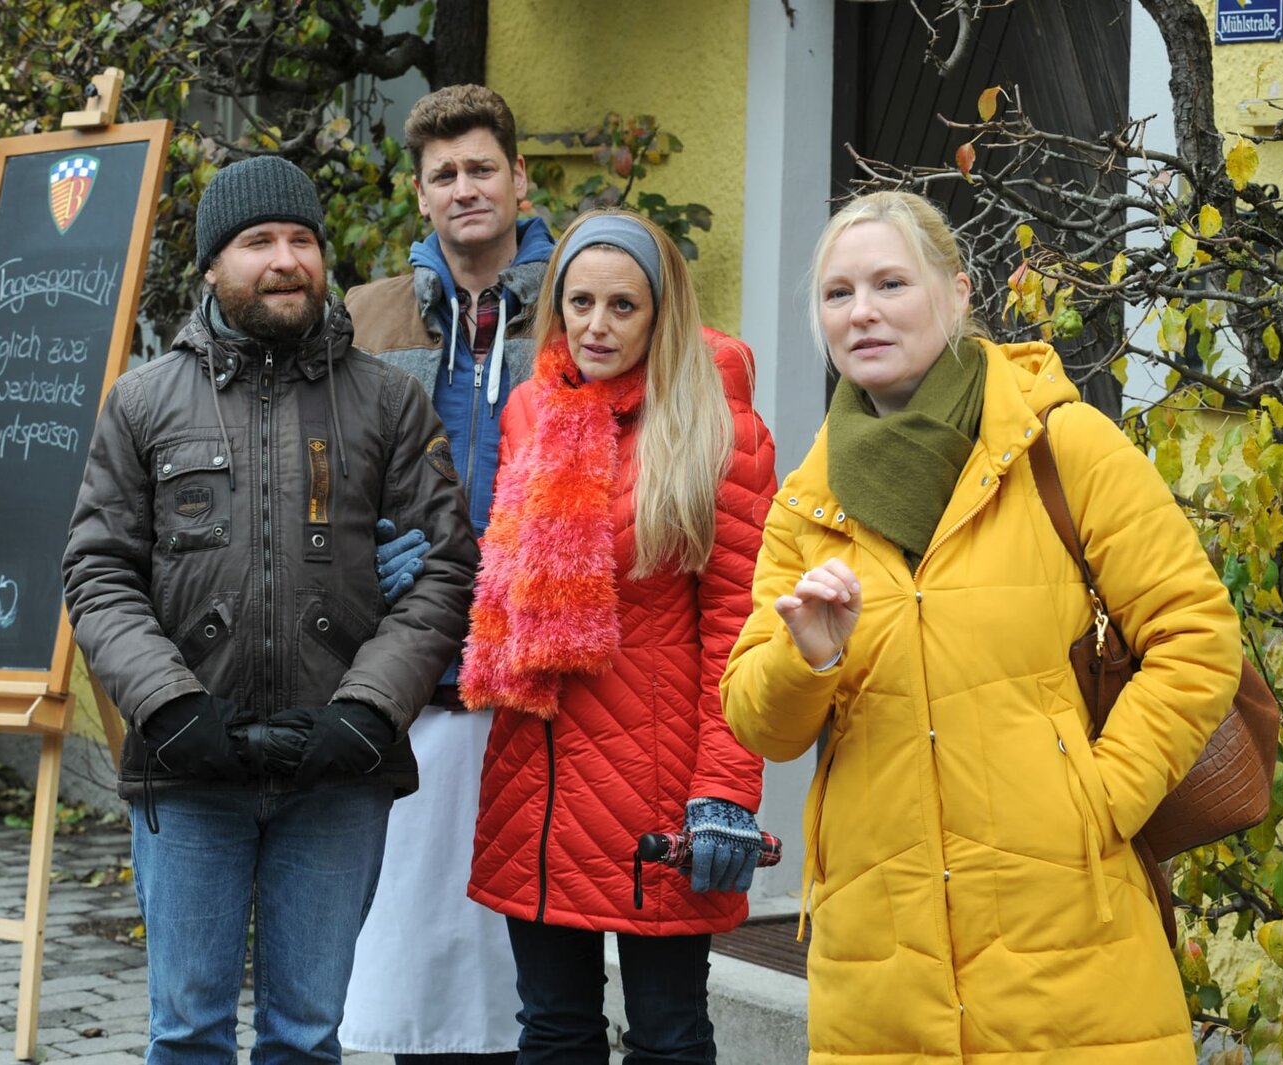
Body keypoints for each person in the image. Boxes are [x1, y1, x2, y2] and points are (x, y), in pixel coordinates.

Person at [719, 189, 1243, 1062]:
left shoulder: (1061, 444)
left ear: (957, 293)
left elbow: (1196, 635)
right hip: (881, 975)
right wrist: (806, 657)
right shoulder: (808, 502)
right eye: (839, 293)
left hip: (1068, 945)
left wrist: (1096, 800)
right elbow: (758, 722)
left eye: (890, 283)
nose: (862, 311)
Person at [61, 154, 478, 1064]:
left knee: (307, 1034)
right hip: (187, 774)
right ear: (213, 265)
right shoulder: (142, 404)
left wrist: (367, 711)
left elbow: (445, 570)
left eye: (301, 240)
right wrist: (170, 707)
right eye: (257, 241)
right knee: (187, 1032)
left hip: (338, 775)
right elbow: (98, 571)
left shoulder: (390, 403)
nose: (285, 259)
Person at [458, 209, 777, 1064]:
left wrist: (725, 791)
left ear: (661, 313)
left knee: (669, 1037)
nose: (596, 326)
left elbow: (739, 628)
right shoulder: (532, 410)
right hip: (535, 778)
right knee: (552, 1031)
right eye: (580, 302)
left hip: (655, 786)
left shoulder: (717, 426)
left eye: (623, 306)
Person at [337, 84, 554, 1065]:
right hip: (413, 662)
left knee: (530, 959)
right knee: (420, 953)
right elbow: (328, 468)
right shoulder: (367, 313)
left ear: (518, 177)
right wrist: (368, 556)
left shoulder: (578, 299)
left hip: (539, 659)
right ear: (420, 194)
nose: (465, 188)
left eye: (481, 168)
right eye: (444, 174)